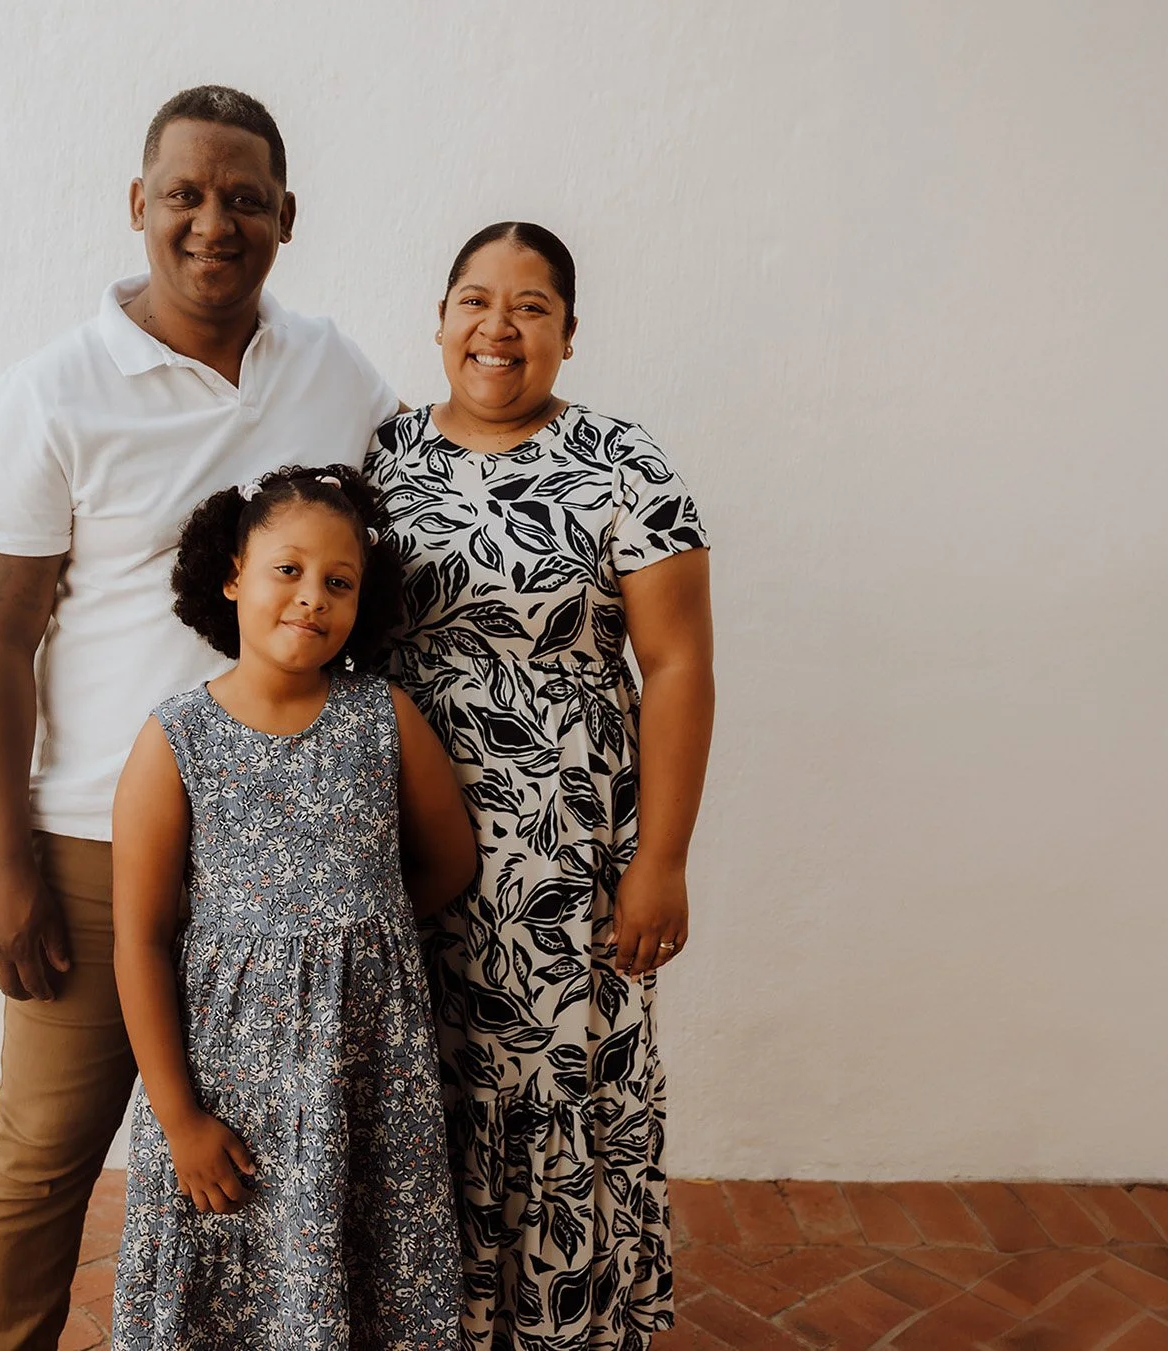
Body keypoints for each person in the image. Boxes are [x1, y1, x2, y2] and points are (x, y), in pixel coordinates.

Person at [0, 87, 396, 1350]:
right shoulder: (50, 397)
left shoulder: (334, 372)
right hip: (98, 840)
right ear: (137, 206)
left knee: (272, 1160)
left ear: (287, 218)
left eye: (245, 199)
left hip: (286, 853)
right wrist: (3, 864)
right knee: (44, 1156)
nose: (215, 223)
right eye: (187, 196)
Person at [363, 222, 716, 1348]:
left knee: (556, 1085)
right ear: (438, 319)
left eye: (530, 306)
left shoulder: (625, 459)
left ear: (569, 331)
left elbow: (678, 665)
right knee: (426, 1078)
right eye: (474, 300)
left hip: (564, 849)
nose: (498, 327)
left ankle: (563, 1323)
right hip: (403, 835)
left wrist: (660, 858)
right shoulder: (384, 452)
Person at [108, 465, 473, 1348]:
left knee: (361, 1270)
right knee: (234, 1277)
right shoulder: (175, 739)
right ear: (232, 573)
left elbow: (449, 860)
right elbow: (142, 941)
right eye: (288, 570)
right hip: (229, 1087)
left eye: (338, 583)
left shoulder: (383, 716)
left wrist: (358, 928)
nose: (312, 598)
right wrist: (179, 1117)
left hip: (364, 1076)